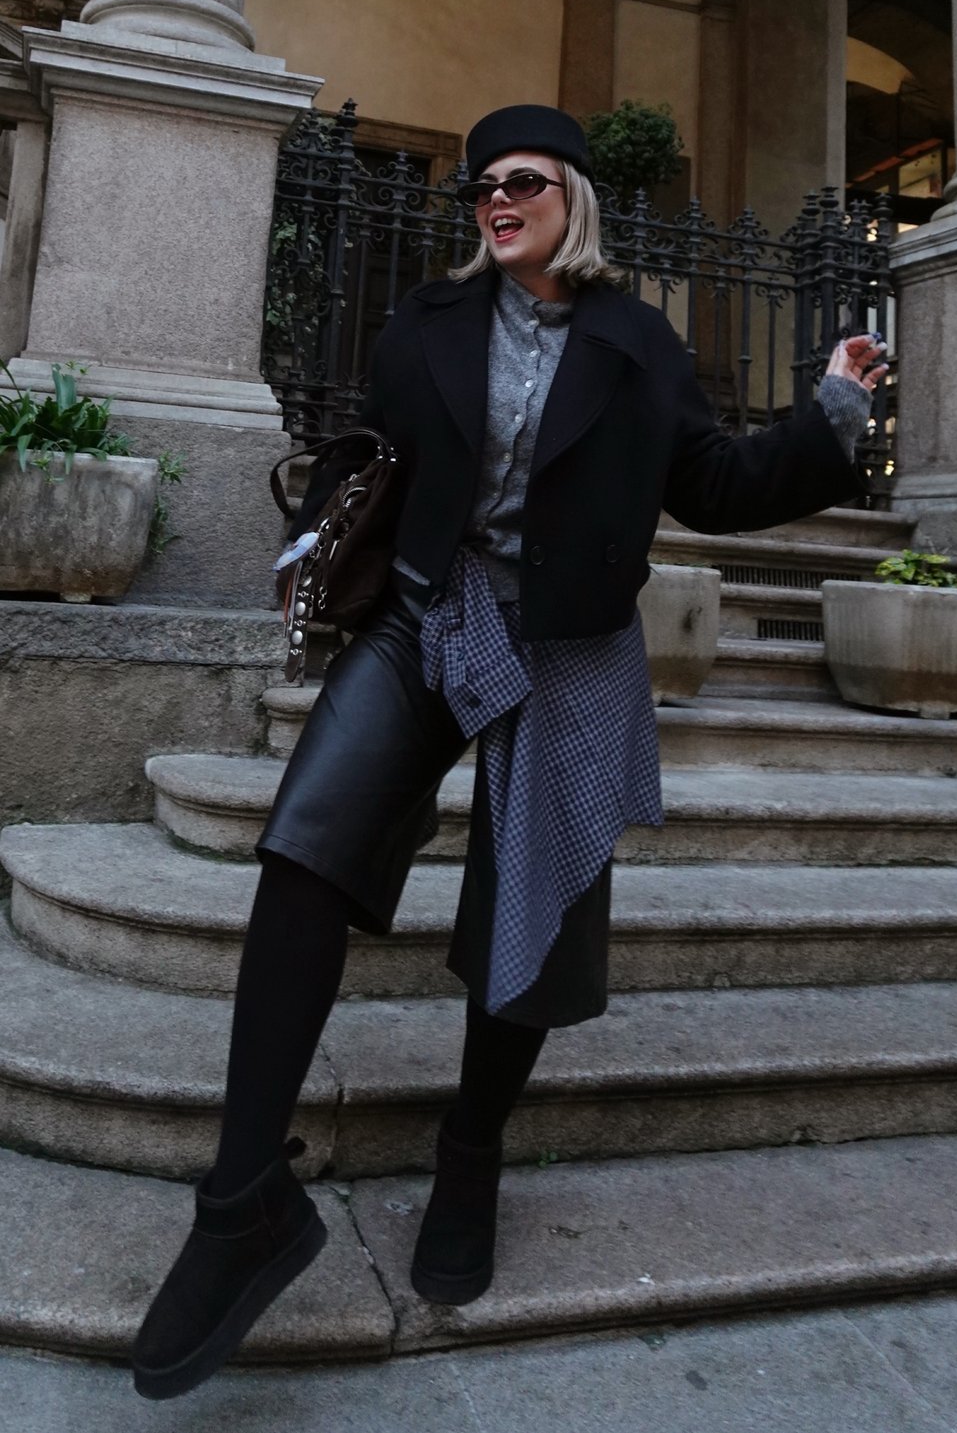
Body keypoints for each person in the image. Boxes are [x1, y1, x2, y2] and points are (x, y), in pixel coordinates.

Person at [131, 104, 888, 1401]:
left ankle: (471, 1156)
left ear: (572, 196)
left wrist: (831, 411)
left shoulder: (637, 342)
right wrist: (328, 527)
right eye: (481, 184)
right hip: (432, 611)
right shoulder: (429, 321)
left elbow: (715, 485)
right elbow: (378, 457)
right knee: (304, 850)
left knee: (529, 905)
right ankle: (241, 1199)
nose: (495, 198)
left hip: (572, 640)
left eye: (522, 181)